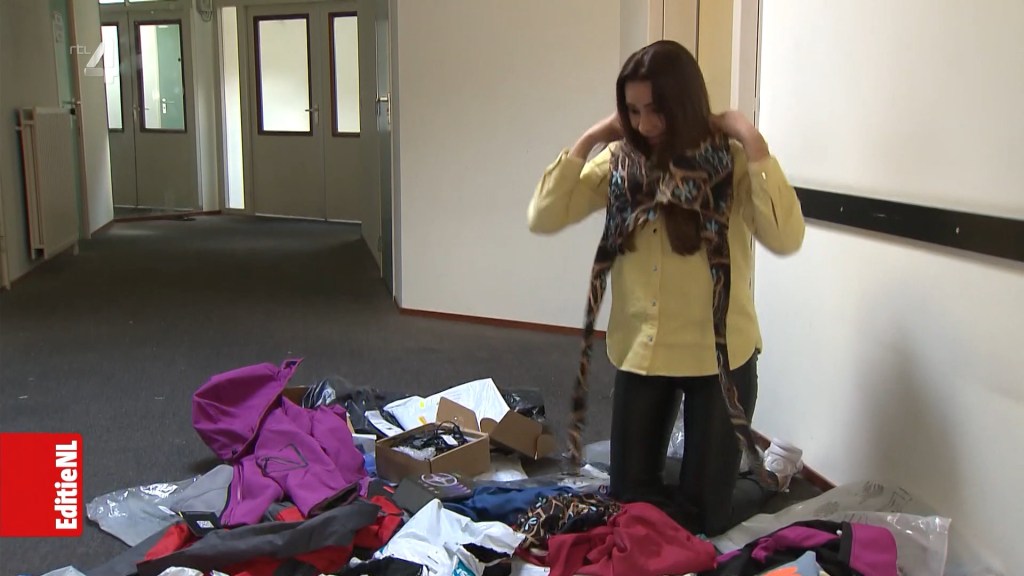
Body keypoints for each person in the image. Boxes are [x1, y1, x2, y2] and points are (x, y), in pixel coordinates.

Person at [527, 40, 805, 536]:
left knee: (707, 518)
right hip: (644, 351)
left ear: (685, 103)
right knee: (630, 503)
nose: (645, 125)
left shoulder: (731, 163)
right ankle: (708, 473)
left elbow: (786, 236)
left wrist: (752, 140)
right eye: (632, 111)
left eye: (657, 109)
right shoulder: (620, 162)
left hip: (719, 357)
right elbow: (544, 214)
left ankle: (772, 473)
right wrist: (592, 137)